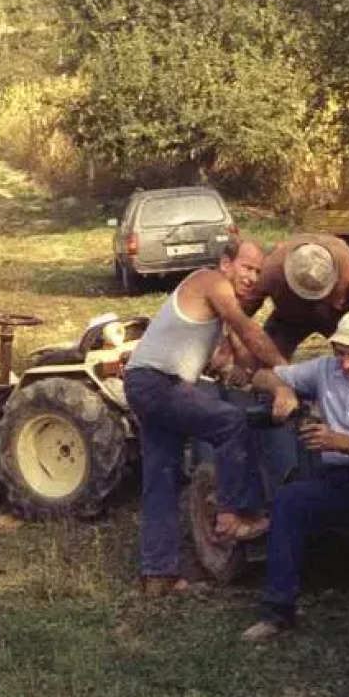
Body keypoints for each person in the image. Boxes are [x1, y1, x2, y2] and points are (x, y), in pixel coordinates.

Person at [124, 239, 289, 596]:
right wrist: (288, 372)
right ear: (225, 264)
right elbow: (248, 330)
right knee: (230, 422)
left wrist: (261, 376)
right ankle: (236, 514)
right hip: (157, 382)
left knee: (161, 477)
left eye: (258, 272)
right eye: (246, 267)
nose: (252, 278)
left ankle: (159, 575)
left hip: (145, 382)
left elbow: (243, 354)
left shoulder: (216, 304)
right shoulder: (210, 281)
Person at [237, 306, 349, 641]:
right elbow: (263, 375)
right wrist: (282, 390)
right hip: (338, 481)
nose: (346, 364)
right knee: (289, 501)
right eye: (341, 353)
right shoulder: (325, 369)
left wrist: (342, 443)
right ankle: (278, 611)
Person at [236, 234, 349, 364]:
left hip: (337, 316)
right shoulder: (272, 270)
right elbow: (239, 315)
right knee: (264, 362)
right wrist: (237, 352)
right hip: (289, 318)